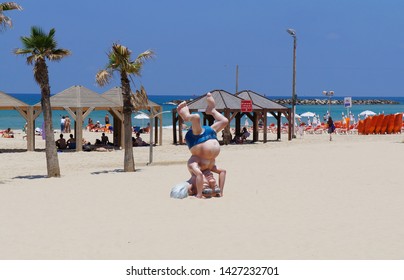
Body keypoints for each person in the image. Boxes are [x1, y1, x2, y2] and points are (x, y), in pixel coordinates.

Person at [177, 92, 228, 198]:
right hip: (198, 139)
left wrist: (201, 194)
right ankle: (191, 116)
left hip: (202, 136)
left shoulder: (202, 165)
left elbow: (200, 175)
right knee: (221, 120)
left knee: (222, 120)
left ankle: (210, 110)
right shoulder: (199, 163)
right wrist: (200, 194)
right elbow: (203, 174)